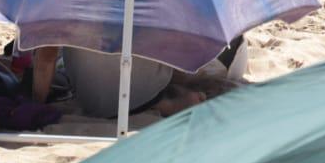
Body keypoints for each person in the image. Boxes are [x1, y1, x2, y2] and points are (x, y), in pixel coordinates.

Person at [28, 46, 202, 119]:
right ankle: (168, 98)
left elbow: (46, 58)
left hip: (95, 101)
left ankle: (165, 100)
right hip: (146, 90)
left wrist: (36, 103)